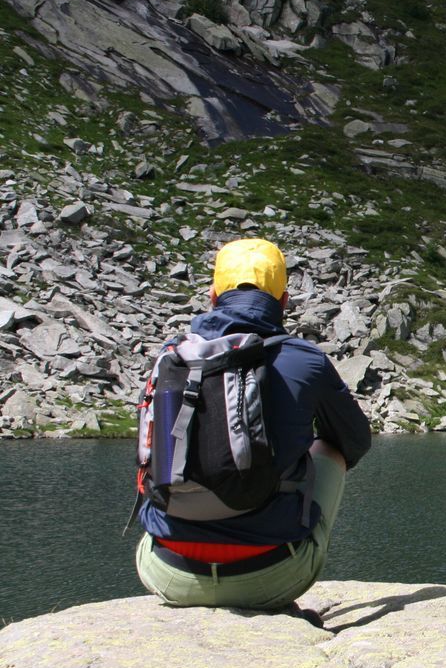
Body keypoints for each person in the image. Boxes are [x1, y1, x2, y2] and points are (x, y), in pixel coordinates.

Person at [134, 238, 371, 609]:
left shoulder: (173, 357)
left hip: (167, 572)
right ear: (284, 301)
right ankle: (281, 539)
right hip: (272, 576)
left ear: (213, 296)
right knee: (329, 447)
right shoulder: (305, 359)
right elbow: (355, 441)